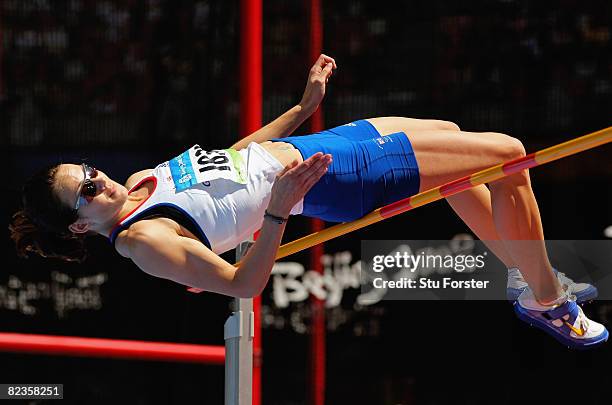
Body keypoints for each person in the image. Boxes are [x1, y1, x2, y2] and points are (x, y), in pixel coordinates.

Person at [10, 54, 607, 349]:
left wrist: (301, 108)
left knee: (455, 140)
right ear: (80, 227)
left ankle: (528, 279)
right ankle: (545, 295)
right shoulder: (141, 241)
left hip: (318, 144)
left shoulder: (140, 178)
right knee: (510, 156)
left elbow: (232, 156)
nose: (100, 182)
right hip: (337, 179)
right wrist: (278, 209)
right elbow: (243, 284)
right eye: (86, 191)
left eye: (89, 171)